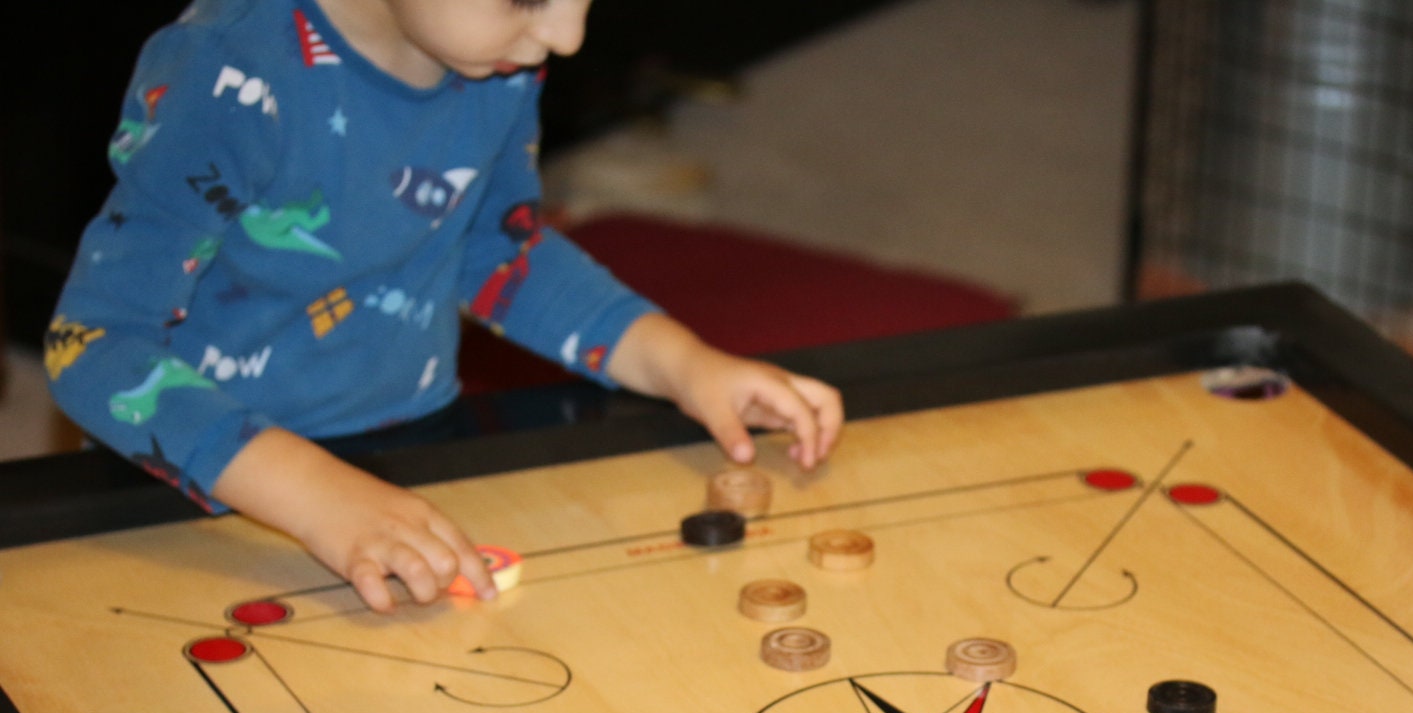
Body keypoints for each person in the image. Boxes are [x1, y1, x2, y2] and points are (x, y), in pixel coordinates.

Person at [44, 0, 844, 612]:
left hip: (410, 450)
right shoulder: (227, 72)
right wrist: (317, 494)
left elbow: (496, 249)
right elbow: (95, 346)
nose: (566, 39)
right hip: (198, 481)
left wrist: (682, 362)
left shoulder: (495, 52)